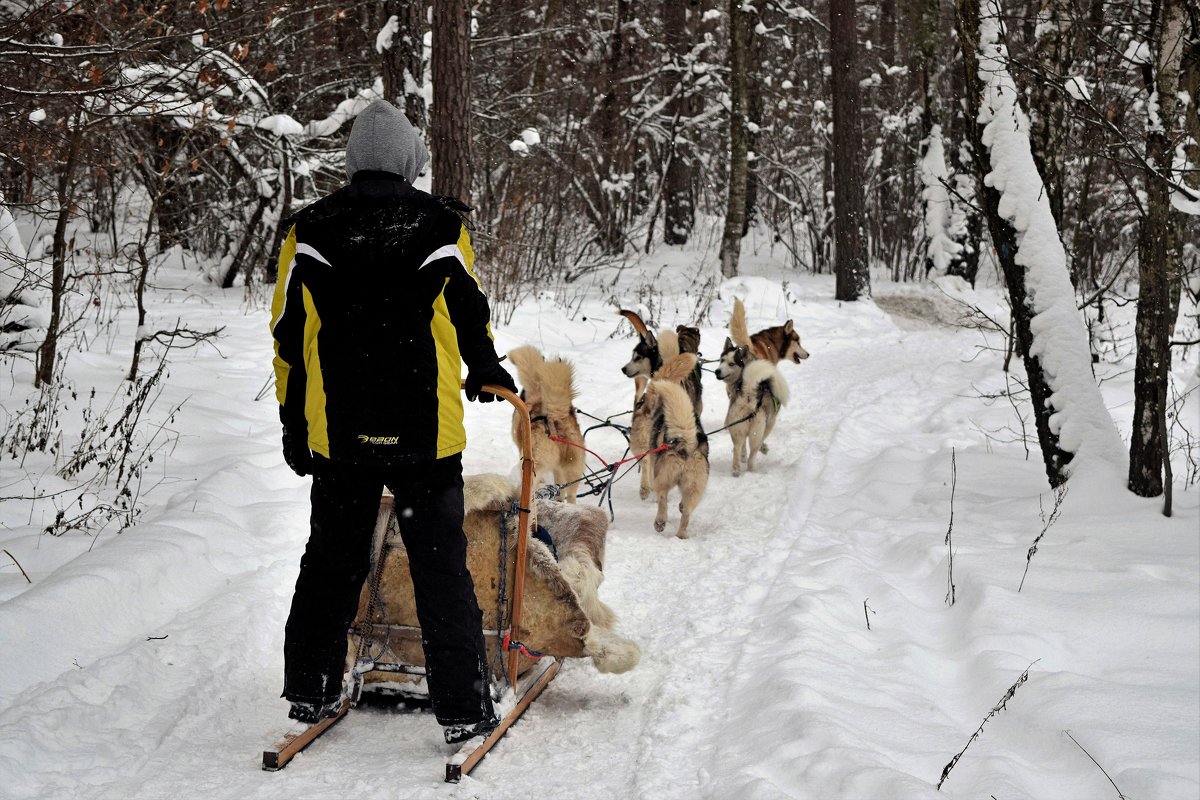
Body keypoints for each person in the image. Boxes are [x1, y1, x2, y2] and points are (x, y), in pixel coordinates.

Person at [268, 99, 517, 744]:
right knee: (441, 569)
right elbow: (469, 310)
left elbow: (288, 341)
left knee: (331, 560)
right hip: (424, 437)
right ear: (409, 162)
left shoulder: (310, 231)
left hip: (340, 436)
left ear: (353, 164)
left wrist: (294, 424)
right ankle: (464, 709)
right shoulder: (437, 224)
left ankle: (310, 691)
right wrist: (488, 369)